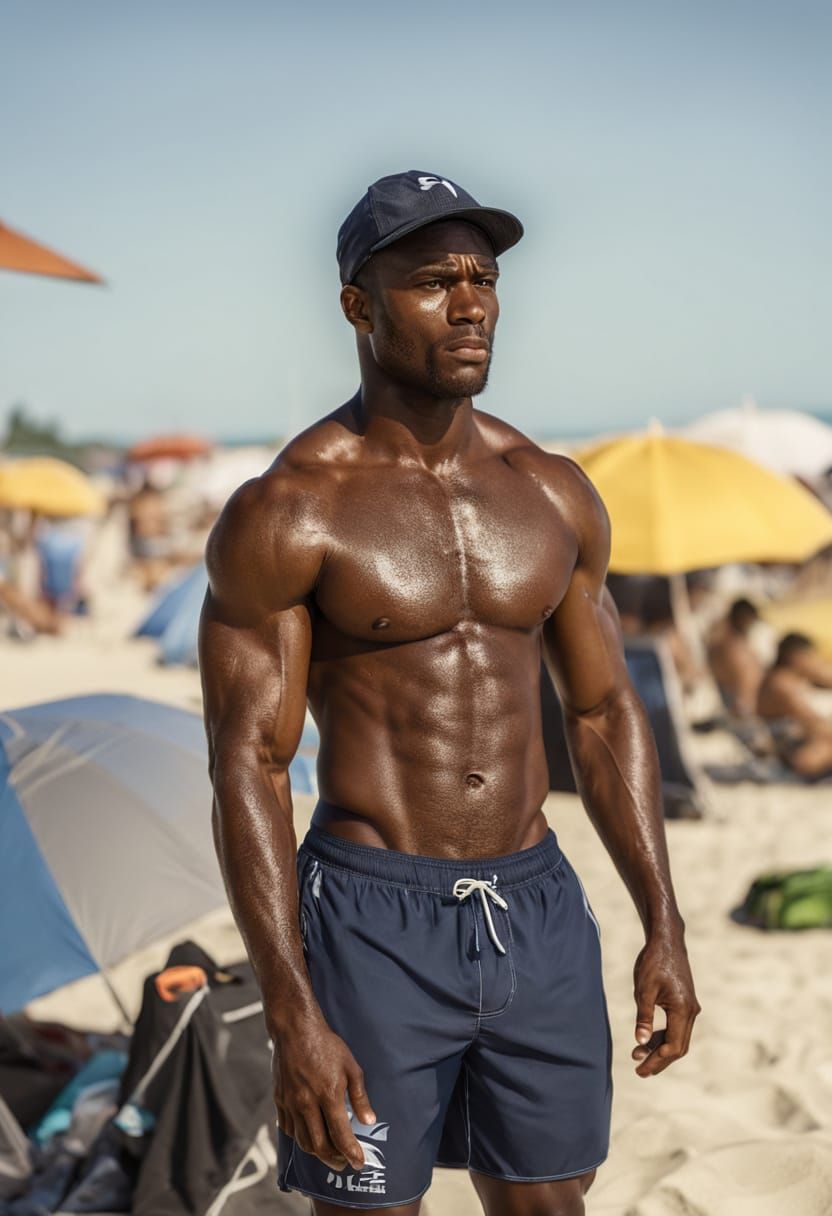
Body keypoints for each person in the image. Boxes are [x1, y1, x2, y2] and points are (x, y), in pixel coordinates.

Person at [199, 170, 700, 1216]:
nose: (470, 303)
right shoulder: (292, 510)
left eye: (483, 277)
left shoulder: (549, 490)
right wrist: (292, 1010)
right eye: (432, 281)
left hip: (538, 904)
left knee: (551, 1201)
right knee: (374, 1204)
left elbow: (605, 714)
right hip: (373, 916)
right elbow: (248, 763)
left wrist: (664, 920)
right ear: (357, 305)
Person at [757, 633, 832, 779]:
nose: (813, 661)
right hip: (791, 755)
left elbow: (826, 676)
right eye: (809, 656)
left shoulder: (789, 677)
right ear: (795, 656)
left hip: (793, 746)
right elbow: (811, 723)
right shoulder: (781, 683)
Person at [705, 597, 763, 717]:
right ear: (745, 619)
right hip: (741, 709)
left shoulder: (725, 642)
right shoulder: (734, 650)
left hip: (740, 705)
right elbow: (744, 694)